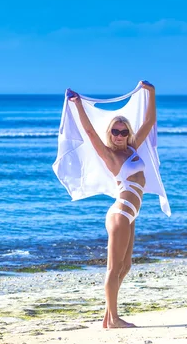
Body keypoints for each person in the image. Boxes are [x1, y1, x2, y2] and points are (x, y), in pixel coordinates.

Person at [67, 81, 157, 328]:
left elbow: (149, 122)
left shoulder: (132, 150)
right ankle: (114, 319)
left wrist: (150, 92)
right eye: (115, 132)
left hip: (131, 215)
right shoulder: (110, 154)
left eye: (123, 131)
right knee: (113, 267)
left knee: (125, 266)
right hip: (120, 214)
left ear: (128, 133)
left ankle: (109, 317)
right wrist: (78, 106)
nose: (119, 136)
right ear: (111, 134)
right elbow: (89, 133)